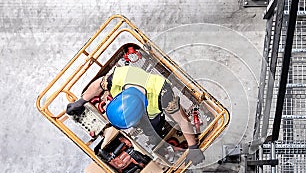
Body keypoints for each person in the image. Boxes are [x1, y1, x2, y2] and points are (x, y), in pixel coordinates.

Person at [66, 65, 205, 165]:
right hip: (134, 92)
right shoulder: (118, 78)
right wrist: (81, 101)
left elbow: (182, 120)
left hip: (154, 111)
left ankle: (155, 135)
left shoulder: (164, 96)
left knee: (153, 127)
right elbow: (99, 85)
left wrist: (193, 147)